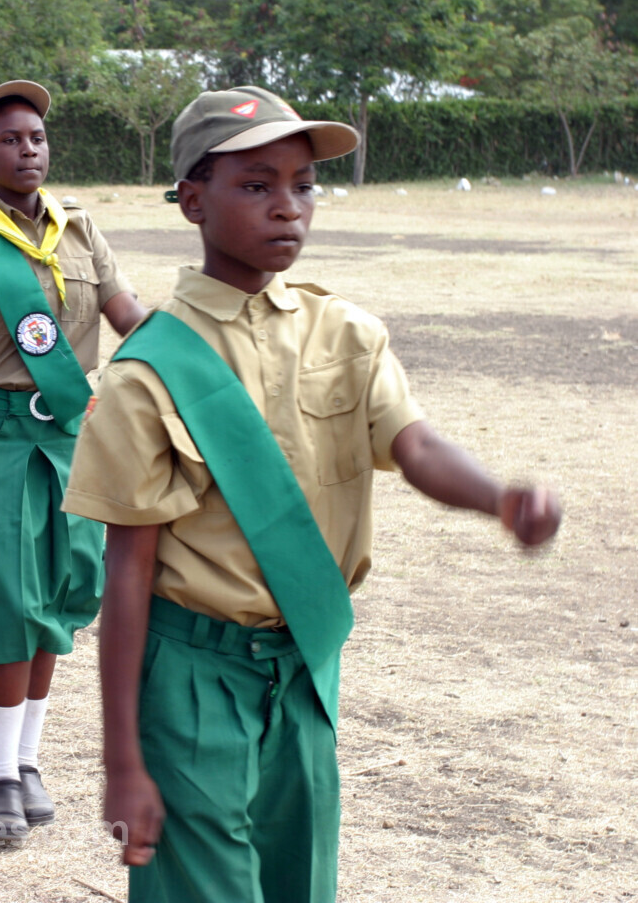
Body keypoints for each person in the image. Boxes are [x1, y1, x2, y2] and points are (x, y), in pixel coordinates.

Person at [64, 86, 563, 903]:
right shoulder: (147, 372)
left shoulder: (348, 333)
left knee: (302, 883)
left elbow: (417, 444)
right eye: (257, 185)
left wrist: (499, 500)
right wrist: (123, 764)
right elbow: (126, 578)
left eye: (303, 185)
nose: (288, 208)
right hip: (192, 675)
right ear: (194, 199)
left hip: (303, 670)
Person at [0, 80, 145, 848]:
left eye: (38, 138)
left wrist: (192, 346)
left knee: (61, 596)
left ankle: (30, 757)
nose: (29, 150)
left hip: (71, 441)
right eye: (11, 140)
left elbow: (126, 317)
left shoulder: (80, 232)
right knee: (12, 605)